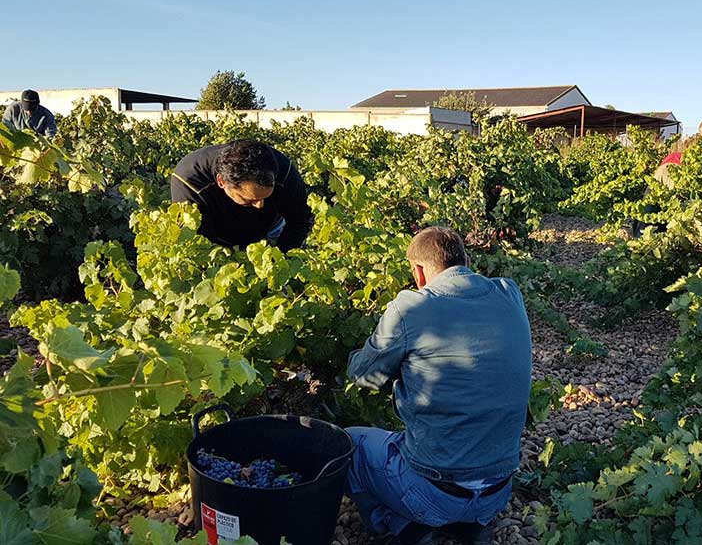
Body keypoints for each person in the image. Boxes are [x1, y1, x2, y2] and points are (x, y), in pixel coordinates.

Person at [345, 226, 532, 545]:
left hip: (434, 492)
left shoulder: (410, 307)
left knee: (350, 444)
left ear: (418, 271)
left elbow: (366, 377)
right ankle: (469, 524)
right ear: (466, 260)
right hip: (497, 491)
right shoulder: (509, 293)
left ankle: (399, 526)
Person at [170, 139, 313, 251]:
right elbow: (200, 242)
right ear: (222, 181)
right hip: (220, 240)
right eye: (250, 199)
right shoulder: (189, 180)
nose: (260, 205)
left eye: (266, 197)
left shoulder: (285, 171)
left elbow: (299, 221)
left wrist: (280, 260)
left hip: (271, 229)